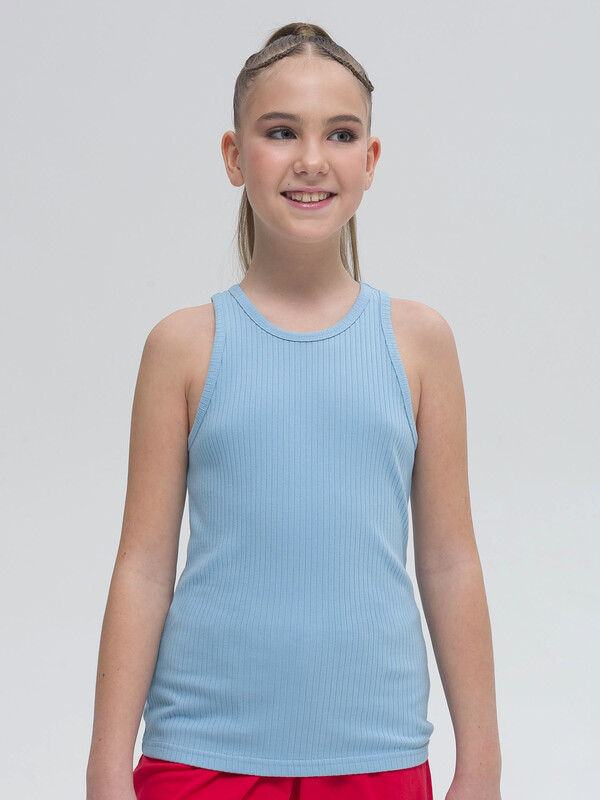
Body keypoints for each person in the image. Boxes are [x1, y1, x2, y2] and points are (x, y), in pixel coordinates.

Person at [86, 21, 502, 800]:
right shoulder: (183, 347)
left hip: (376, 757)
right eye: (281, 132)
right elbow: (142, 568)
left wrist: (481, 765)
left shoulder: (419, 344)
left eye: (340, 134)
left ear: (370, 160)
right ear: (234, 155)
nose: (311, 158)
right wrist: (106, 770)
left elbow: (451, 561)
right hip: (200, 754)